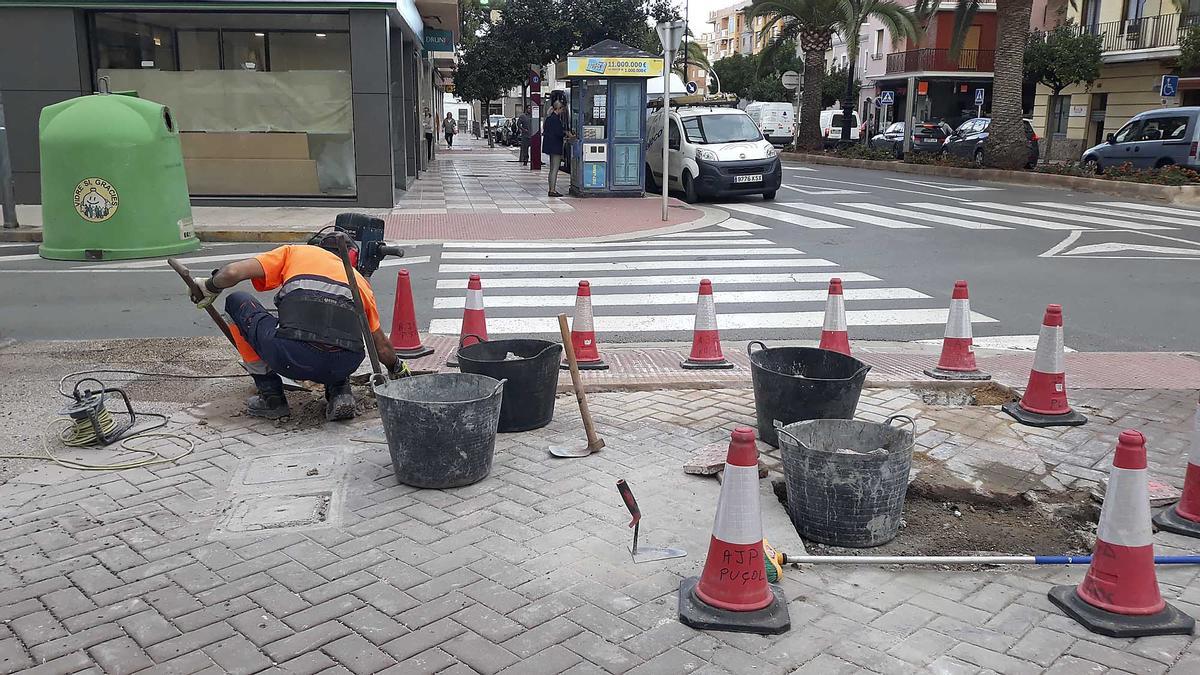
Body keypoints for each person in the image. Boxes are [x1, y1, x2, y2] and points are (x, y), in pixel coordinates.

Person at [193, 236, 402, 421]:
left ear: (318, 246)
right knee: (337, 334)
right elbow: (382, 348)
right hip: (343, 364)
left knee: (236, 301)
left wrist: (209, 286)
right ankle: (340, 392)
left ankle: (272, 397)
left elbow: (231, 272)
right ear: (351, 257)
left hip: (292, 356)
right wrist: (399, 371)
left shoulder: (295, 252)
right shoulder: (358, 282)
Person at [542, 97, 575, 197]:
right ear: (558, 109)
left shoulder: (549, 118)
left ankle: (551, 189)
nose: (562, 111)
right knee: (555, 169)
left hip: (550, 146)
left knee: (552, 168)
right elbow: (558, 133)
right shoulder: (555, 119)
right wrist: (567, 134)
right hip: (555, 146)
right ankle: (552, 190)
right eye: (562, 109)